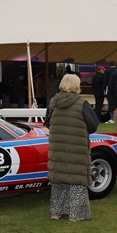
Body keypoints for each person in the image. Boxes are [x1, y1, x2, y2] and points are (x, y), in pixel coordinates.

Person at [45, 74, 99, 221]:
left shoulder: (53, 102)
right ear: (76, 86)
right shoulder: (82, 104)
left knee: (59, 180)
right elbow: (93, 125)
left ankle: (56, 212)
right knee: (77, 181)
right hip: (77, 149)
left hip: (58, 147)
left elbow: (48, 123)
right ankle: (77, 214)